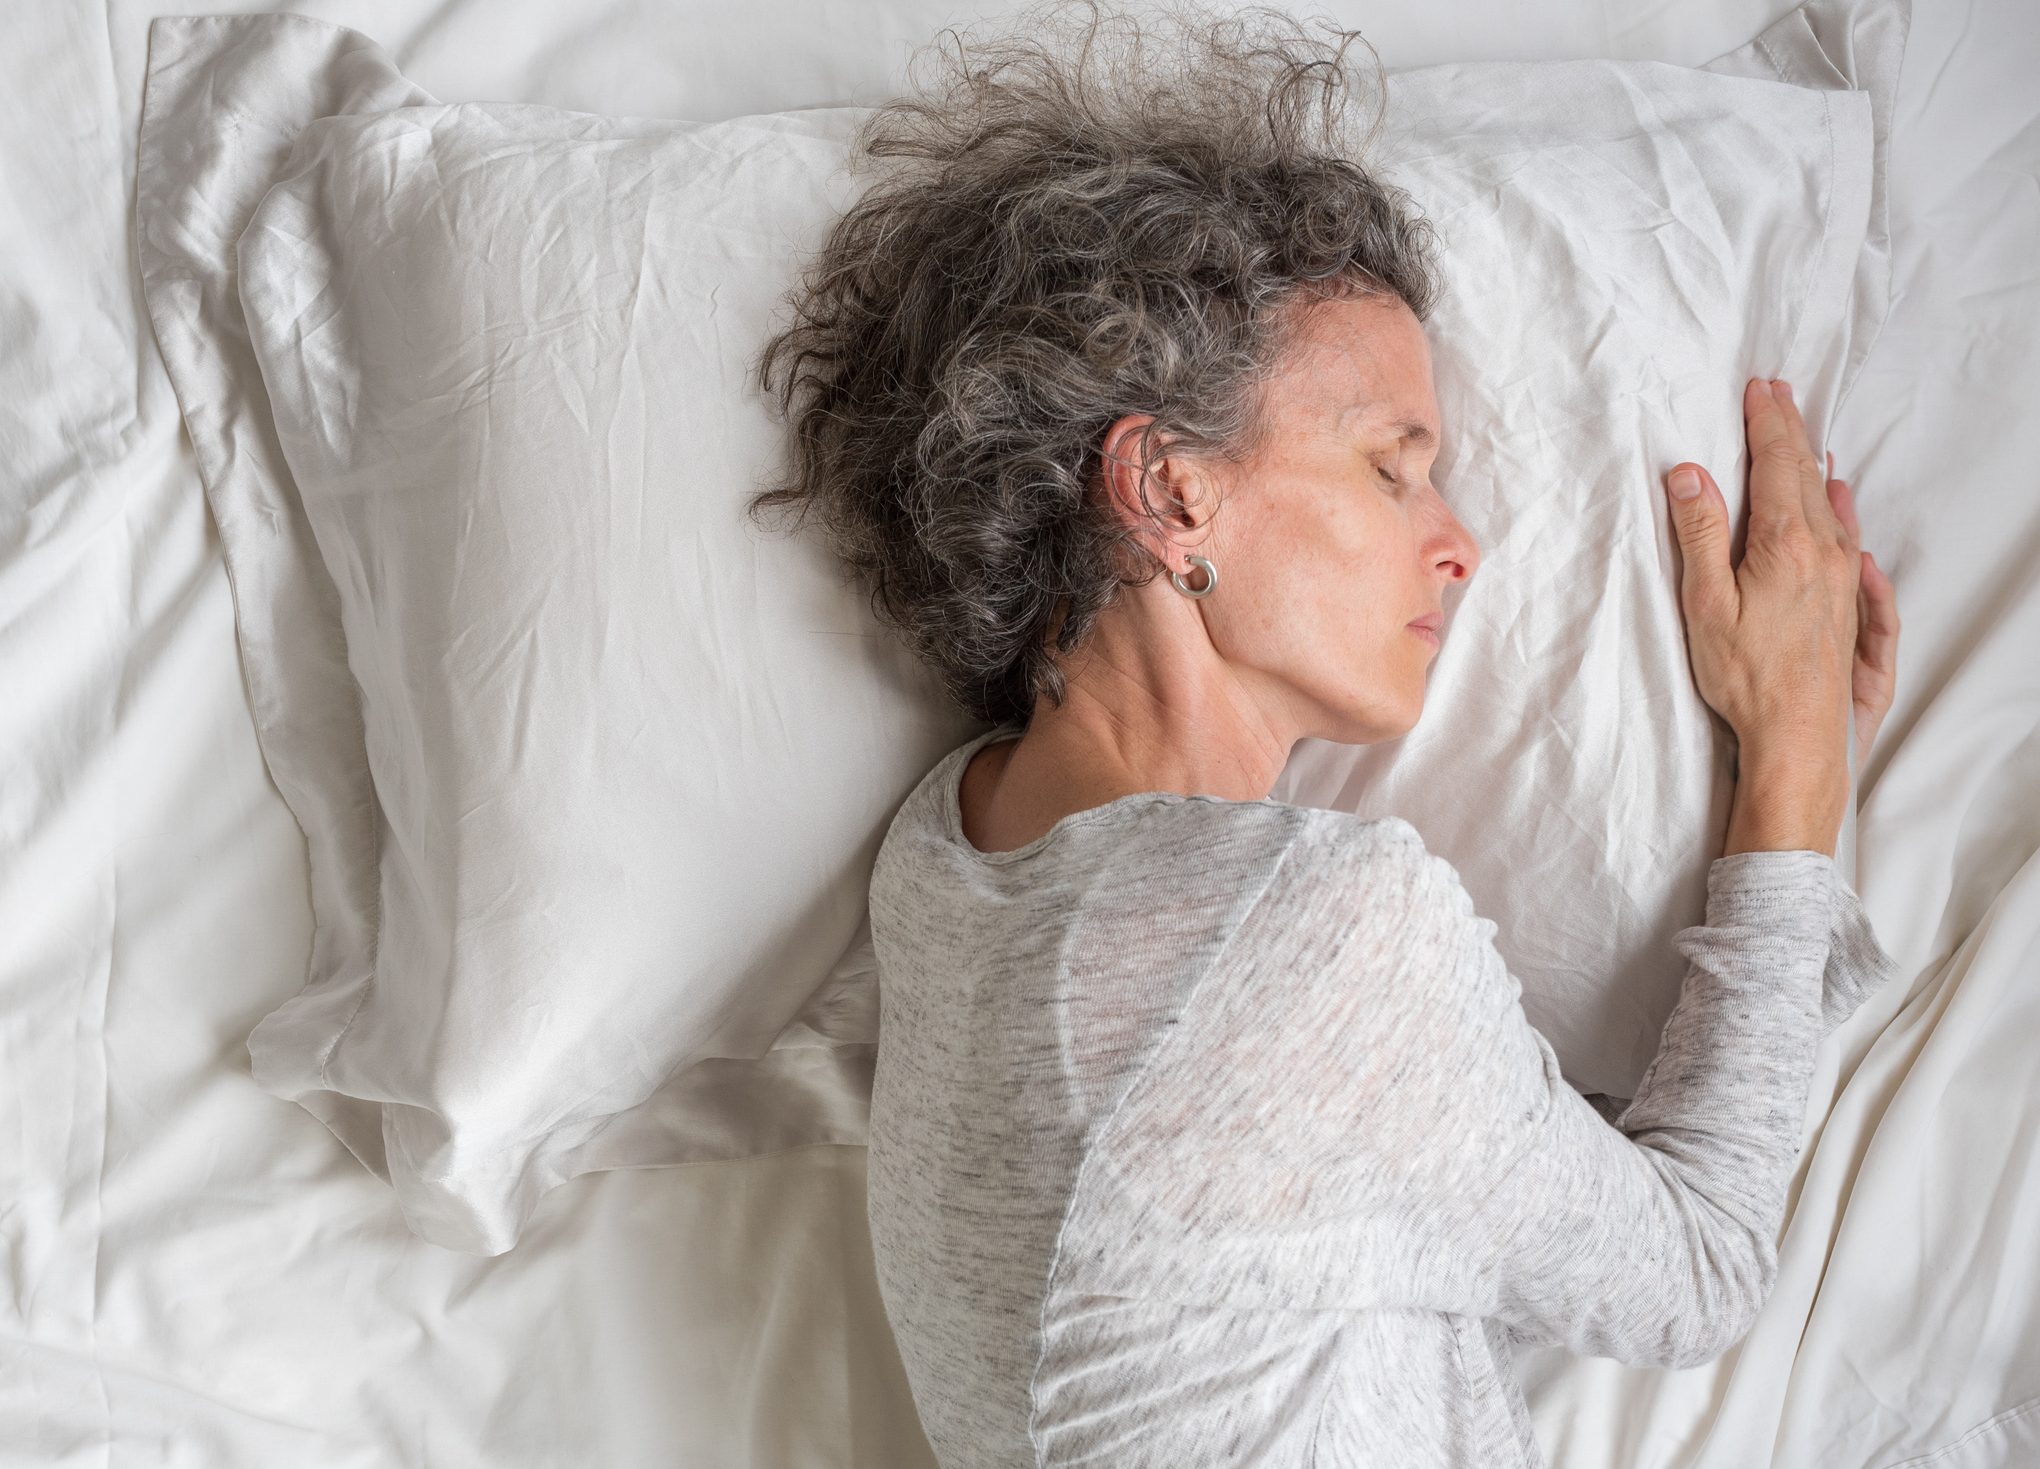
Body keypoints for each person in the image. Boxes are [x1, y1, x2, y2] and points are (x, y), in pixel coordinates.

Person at [747, 3, 1904, 1464]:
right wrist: (1795, 760)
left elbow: (1344, 1252)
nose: (1460, 542)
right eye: (1390, 467)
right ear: (1171, 491)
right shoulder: (1313, 927)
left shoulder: (941, 859)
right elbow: (1695, 1270)